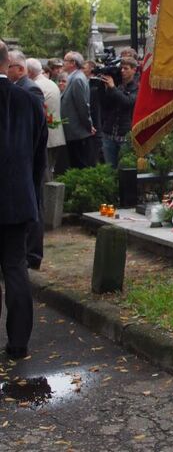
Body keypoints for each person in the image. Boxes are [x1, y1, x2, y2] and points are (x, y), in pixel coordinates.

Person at [0, 39, 47, 359]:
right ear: (6, 63)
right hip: (17, 197)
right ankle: (18, 342)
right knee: (15, 268)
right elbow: (37, 152)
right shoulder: (28, 99)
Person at [7, 52, 46, 271]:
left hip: (28, 160)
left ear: (19, 68)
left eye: (9, 66)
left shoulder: (30, 90)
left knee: (35, 206)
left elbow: (37, 130)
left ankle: (33, 254)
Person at [97, 57, 139, 168]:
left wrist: (113, 88)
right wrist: (104, 88)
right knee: (110, 169)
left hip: (124, 136)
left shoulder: (137, 87)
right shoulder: (116, 84)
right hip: (108, 134)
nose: (122, 71)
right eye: (121, 68)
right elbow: (104, 105)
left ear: (134, 70)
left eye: (126, 68)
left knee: (125, 169)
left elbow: (128, 102)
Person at [30, 58, 67, 180]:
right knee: (49, 170)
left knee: (44, 174)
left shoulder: (36, 86)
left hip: (47, 135)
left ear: (29, 71)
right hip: (55, 134)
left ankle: (48, 199)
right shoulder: (49, 83)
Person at [60, 51, 95, 169]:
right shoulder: (72, 77)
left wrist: (88, 125)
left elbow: (83, 106)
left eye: (65, 60)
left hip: (78, 132)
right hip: (73, 131)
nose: (62, 63)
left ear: (73, 63)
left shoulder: (77, 79)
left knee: (79, 164)